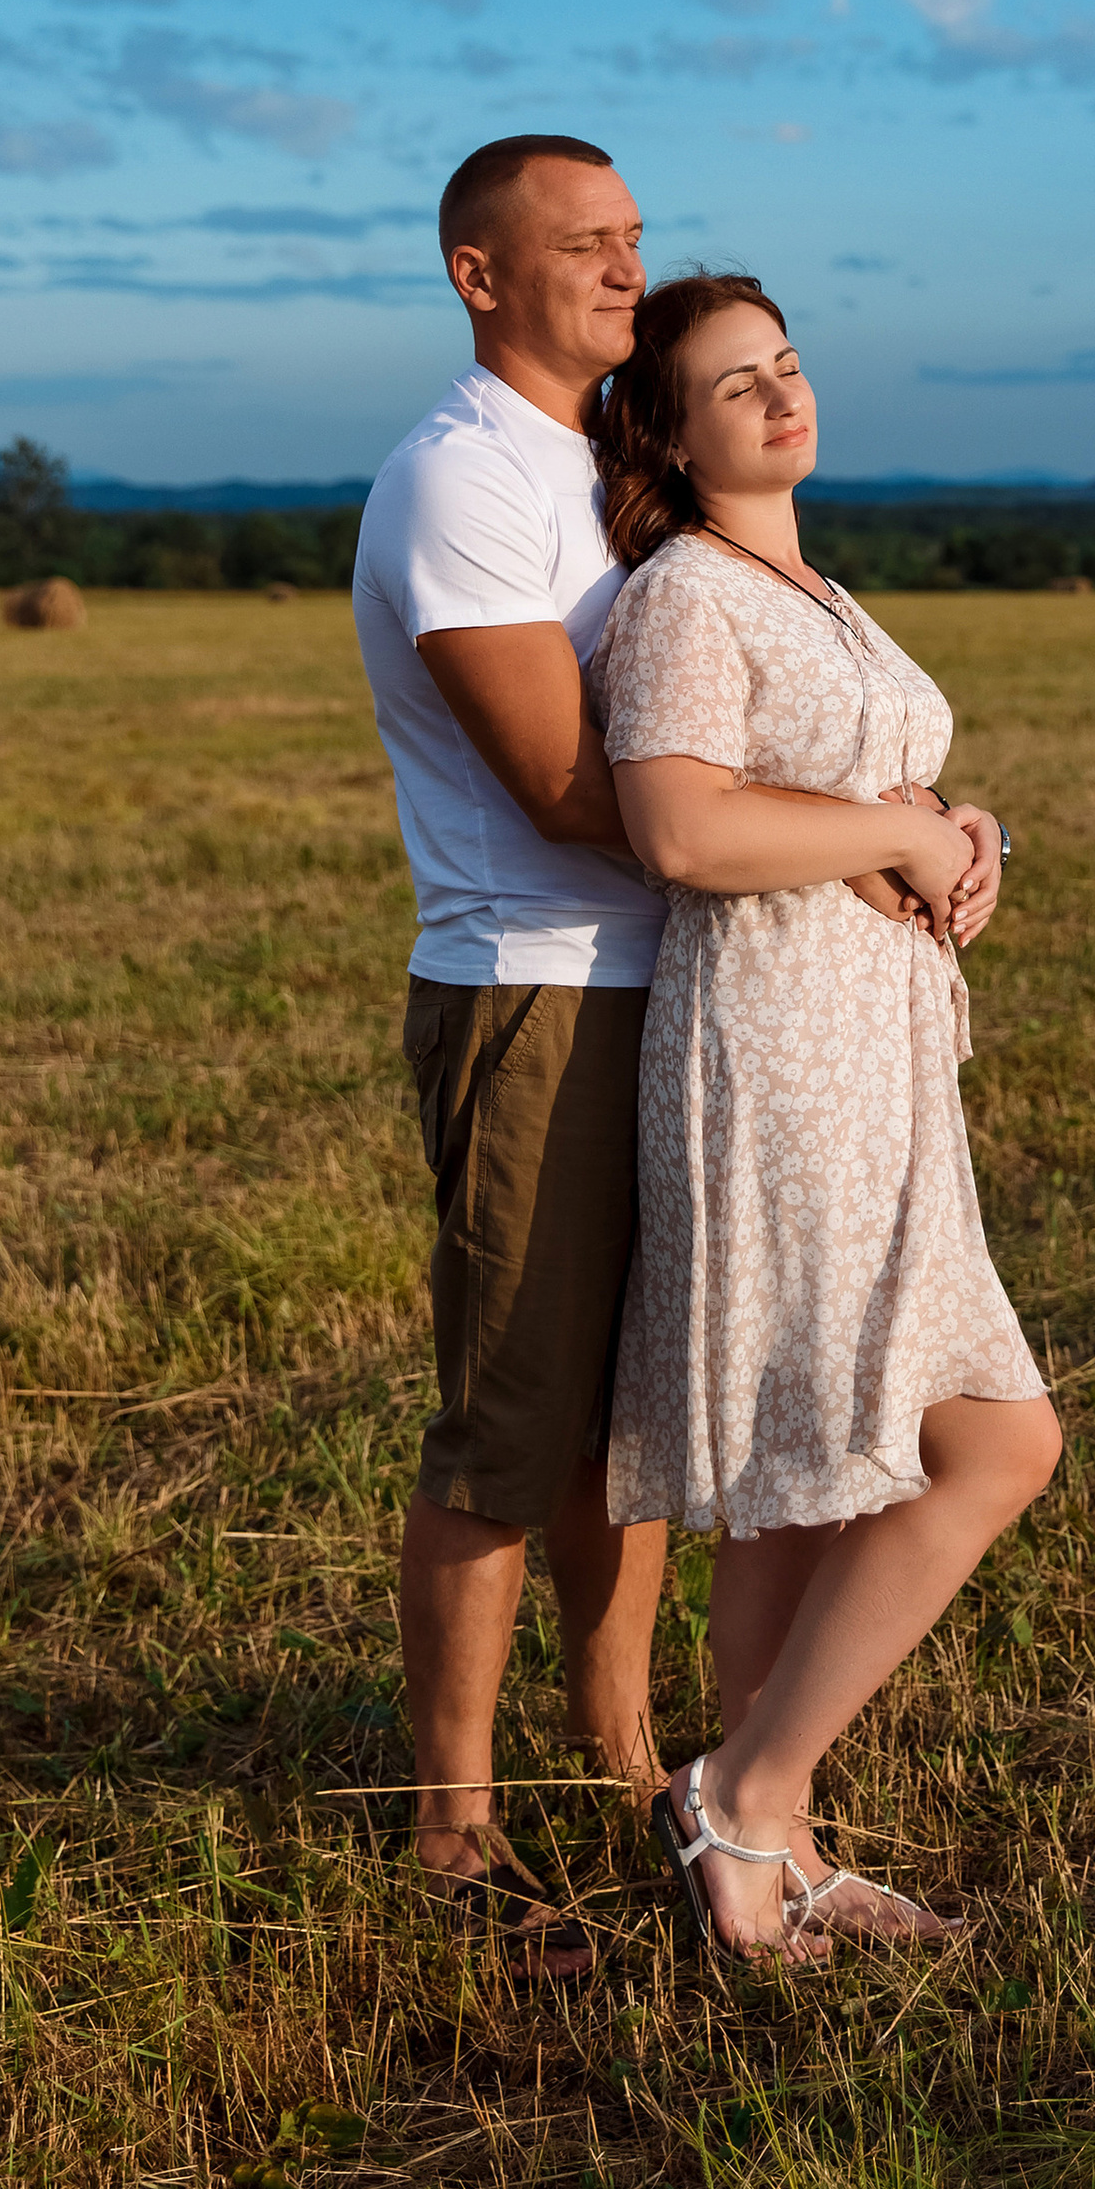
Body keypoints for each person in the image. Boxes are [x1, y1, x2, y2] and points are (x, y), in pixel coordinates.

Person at [587, 271, 1064, 1954]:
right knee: (996, 1441)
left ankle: (768, 1857)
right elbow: (683, 829)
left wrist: (958, 830)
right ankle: (742, 1793)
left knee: (811, 1471)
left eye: (786, 365)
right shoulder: (682, 595)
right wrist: (902, 839)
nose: (782, 395)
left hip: (879, 1057)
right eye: (737, 385)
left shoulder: (818, 589)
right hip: (778, 1050)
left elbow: (856, 788)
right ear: (670, 433)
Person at [349, 132, 672, 1985]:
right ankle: (454, 1833)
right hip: (534, 988)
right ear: (480, 276)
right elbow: (563, 789)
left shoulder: (611, 462)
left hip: (667, 979)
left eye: (634, 239)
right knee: (510, 1422)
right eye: (584, 245)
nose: (627, 271)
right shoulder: (460, 477)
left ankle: (624, 1760)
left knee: (627, 1421)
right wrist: (821, 835)